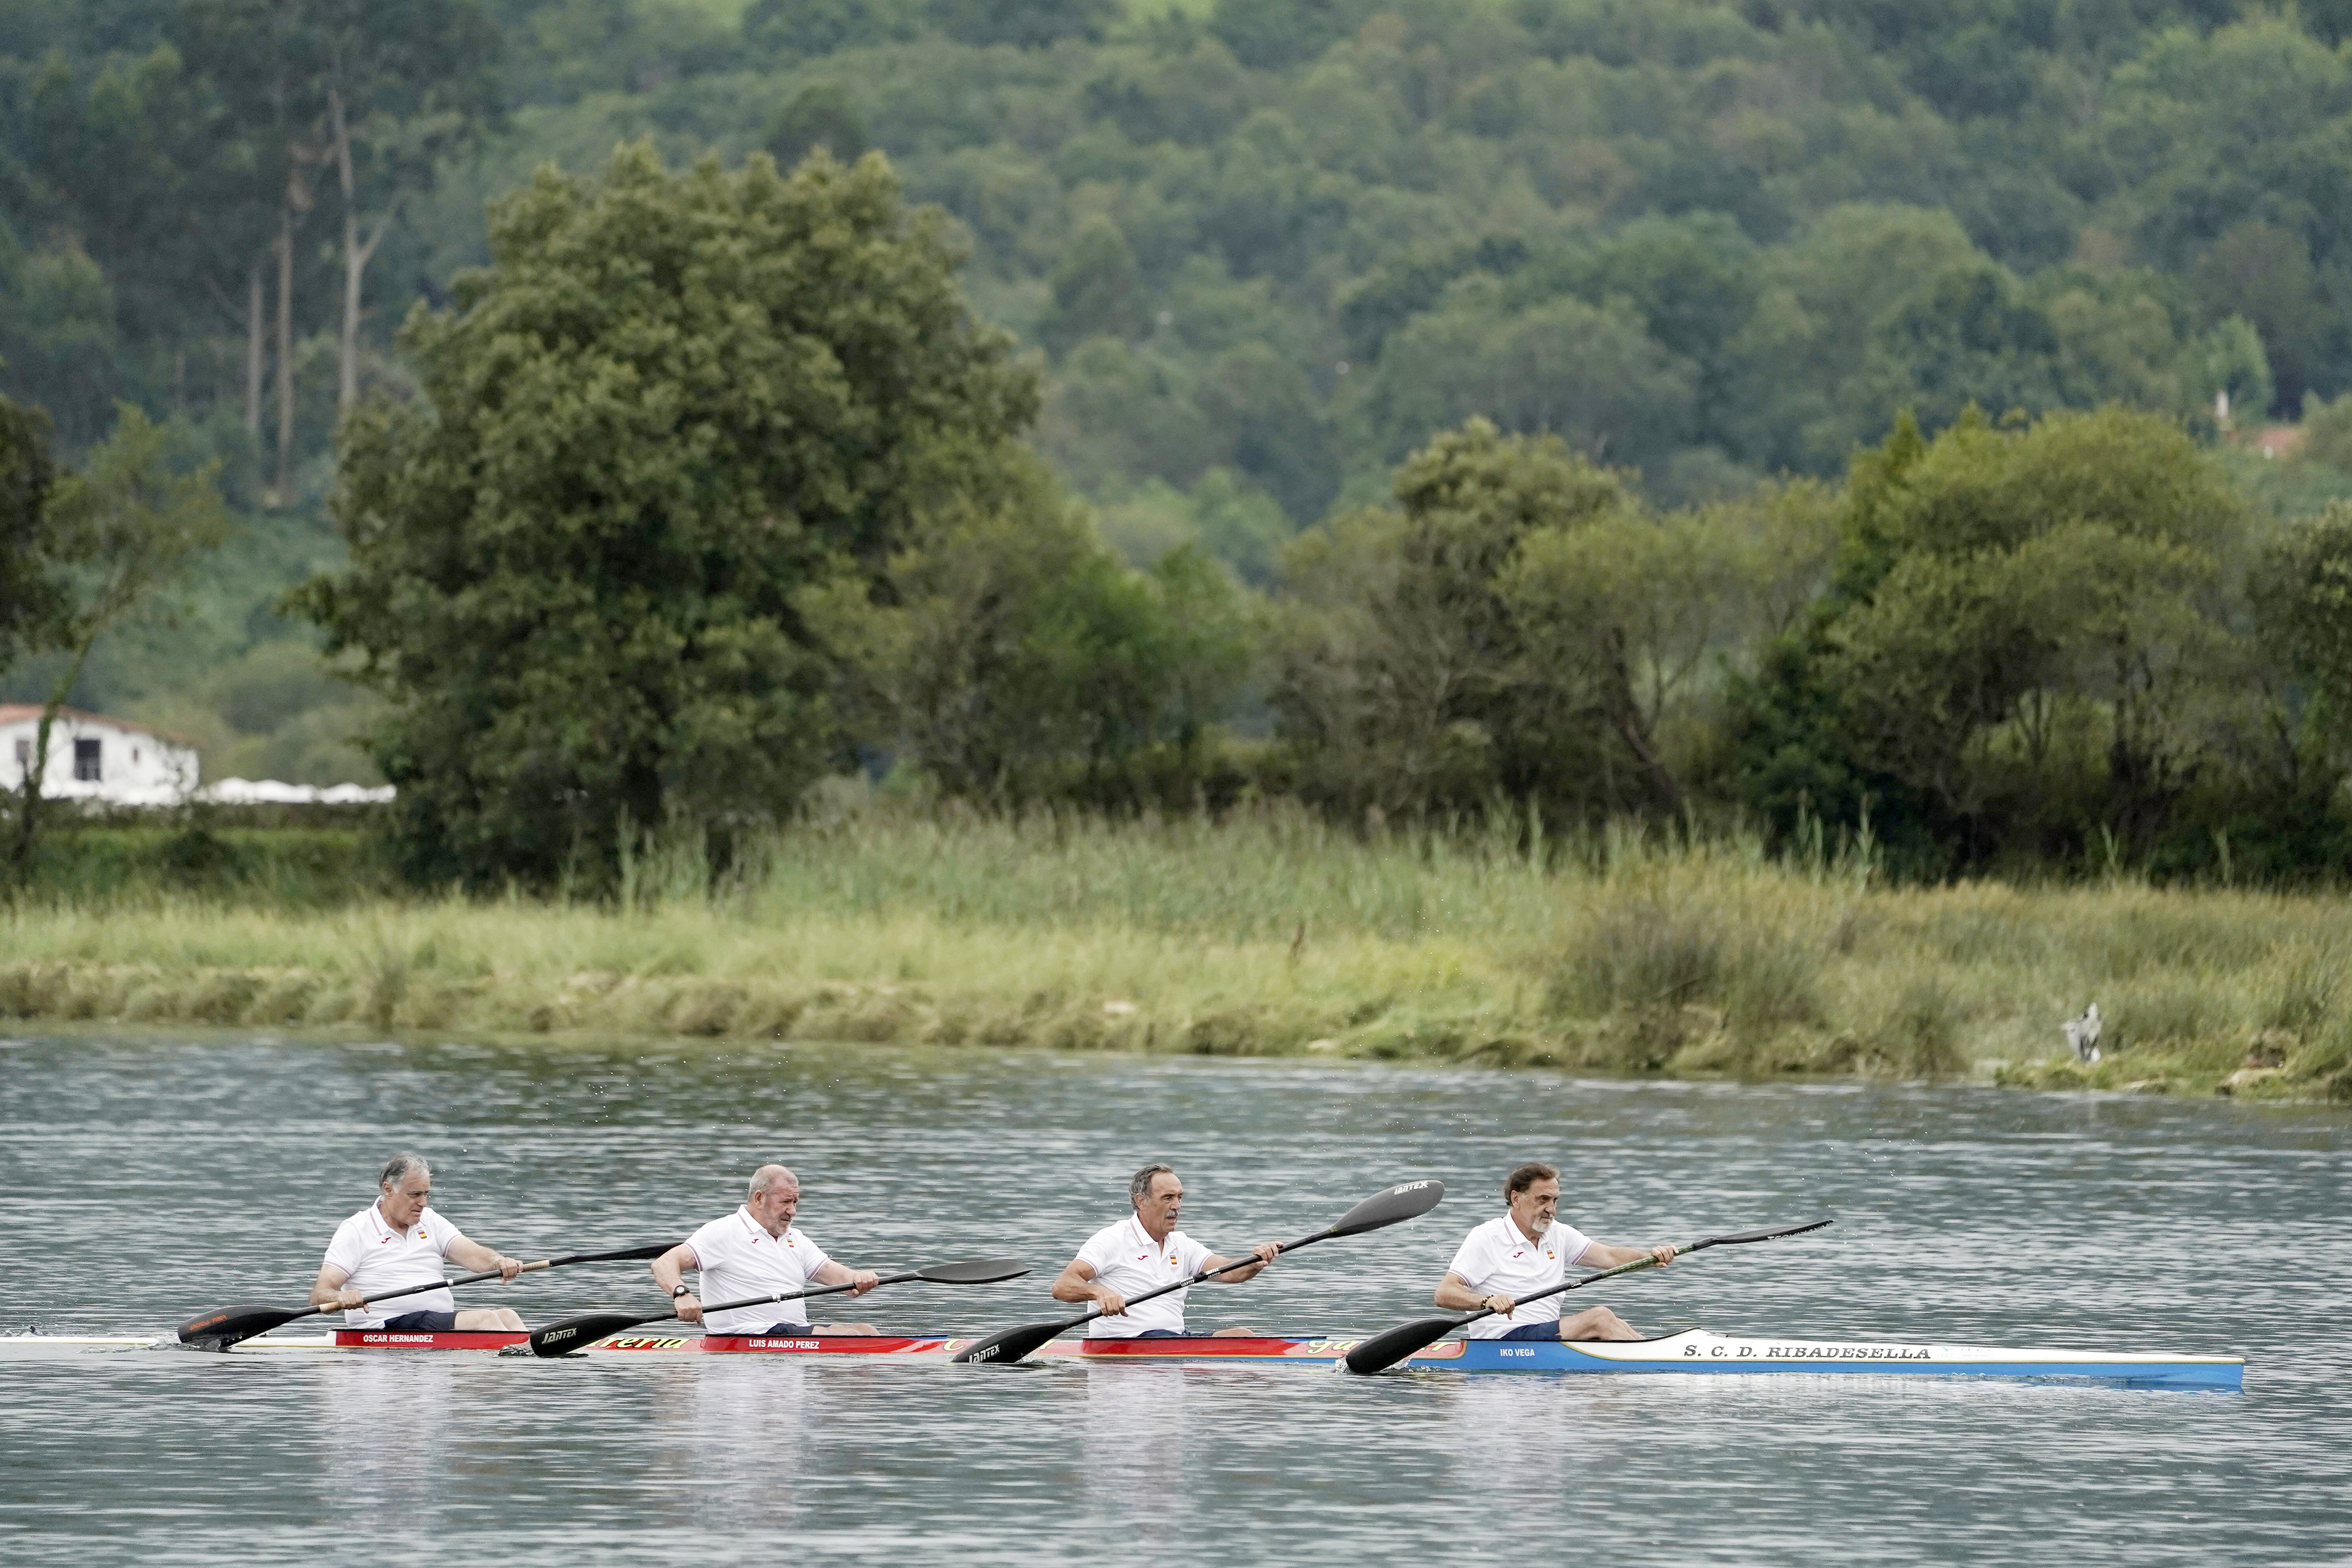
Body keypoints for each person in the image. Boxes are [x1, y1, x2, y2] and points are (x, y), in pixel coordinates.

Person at [1434, 1161, 1676, 1341]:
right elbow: (1444, 1293)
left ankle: (1656, 1351)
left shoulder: (1558, 1234)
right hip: (1502, 1339)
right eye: (1543, 1200)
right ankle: (1659, 1360)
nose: (1551, 1209)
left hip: (1545, 1334)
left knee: (1614, 1322)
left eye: (1555, 1200)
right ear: (1516, 1198)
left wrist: (1651, 1257)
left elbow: (1610, 1256)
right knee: (1600, 1318)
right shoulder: (1487, 1237)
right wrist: (1488, 1300)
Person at [1050, 1163, 1282, 1338]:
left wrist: (1255, 1261)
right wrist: (1099, 1294)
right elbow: (1063, 1286)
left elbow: (1232, 1273)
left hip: (1174, 1340)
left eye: (1180, 1197)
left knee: (1242, 1337)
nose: (1177, 1206)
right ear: (1142, 1201)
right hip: (1126, 1343)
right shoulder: (1112, 1240)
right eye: (1168, 1198)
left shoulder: (1181, 1244)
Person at [653, 1165, 883, 1336]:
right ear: (760, 1198)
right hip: (744, 1334)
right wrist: (681, 1294)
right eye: (785, 1202)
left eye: (795, 1202)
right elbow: (664, 1263)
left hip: (791, 1334)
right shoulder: (724, 1231)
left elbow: (836, 1276)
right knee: (850, 1337)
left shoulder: (795, 1238)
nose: (792, 1211)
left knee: (867, 1331)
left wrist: (857, 1278)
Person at [311, 1153, 525, 1331]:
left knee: (508, 1316)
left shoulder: (430, 1220)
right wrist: (340, 1298)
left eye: (426, 1195)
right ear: (388, 1190)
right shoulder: (356, 1230)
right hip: (383, 1326)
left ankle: (525, 1369)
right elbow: (321, 1293)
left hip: (433, 1322)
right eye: (414, 1195)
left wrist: (499, 1261)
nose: (422, 1203)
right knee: (485, 1320)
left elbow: (473, 1255)